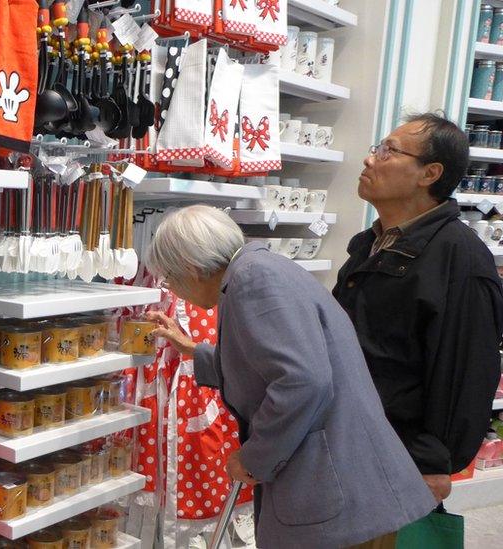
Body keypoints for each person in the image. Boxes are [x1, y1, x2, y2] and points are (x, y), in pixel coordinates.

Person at [144, 205, 435, 549]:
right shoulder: (260, 269)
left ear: (192, 269)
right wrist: (192, 349)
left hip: (334, 486)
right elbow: (265, 366)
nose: (174, 290)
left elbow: (302, 382)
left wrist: (254, 458)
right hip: (346, 481)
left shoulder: (252, 281)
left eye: (169, 279)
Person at [333, 114, 503, 545]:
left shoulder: (460, 260)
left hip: (400, 460)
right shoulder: (369, 244)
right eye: (377, 146)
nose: (370, 159)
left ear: (430, 174)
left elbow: (467, 373)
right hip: (353, 445)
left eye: (388, 150)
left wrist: (433, 461)